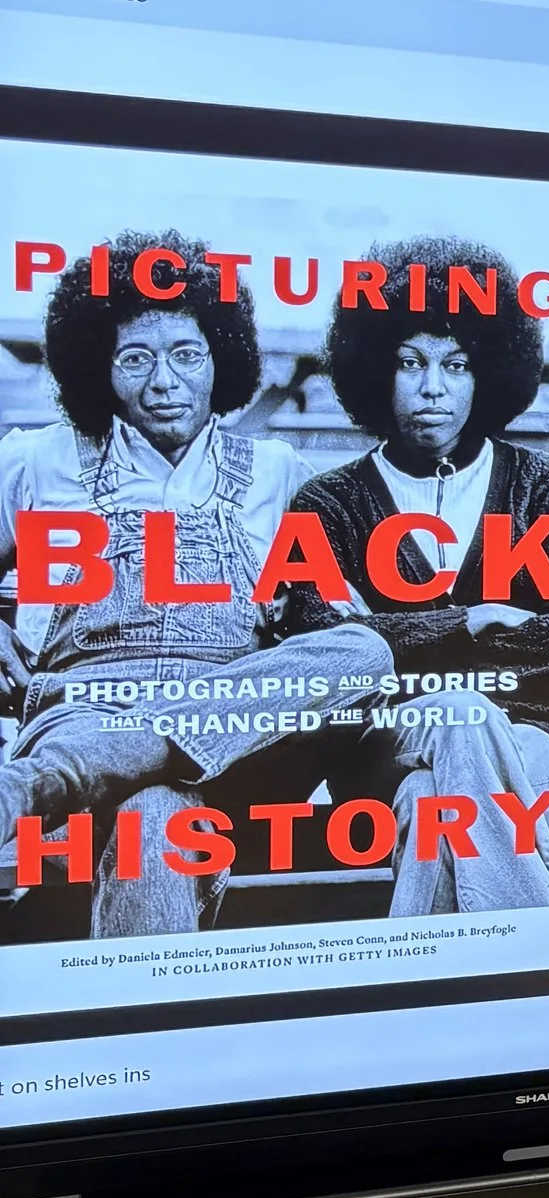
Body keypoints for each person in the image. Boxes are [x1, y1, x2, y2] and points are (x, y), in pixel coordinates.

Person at [0, 233, 398, 931]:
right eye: (135, 358)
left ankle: (43, 780)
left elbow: (343, 625)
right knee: (154, 813)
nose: (164, 381)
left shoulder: (278, 471)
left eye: (187, 354)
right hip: (88, 707)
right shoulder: (37, 461)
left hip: (237, 744)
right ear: (98, 365)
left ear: (221, 358)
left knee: (365, 651)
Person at [273, 238, 549, 913]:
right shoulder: (327, 505)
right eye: (410, 362)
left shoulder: (544, 485)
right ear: (375, 372)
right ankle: (545, 963)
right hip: (380, 739)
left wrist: (391, 631)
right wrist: (472, 619)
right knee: (460, 711)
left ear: (489, 374)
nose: (432, 388)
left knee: (430, 803)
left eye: (456, 364)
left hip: (537, 737)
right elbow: (323, 644)